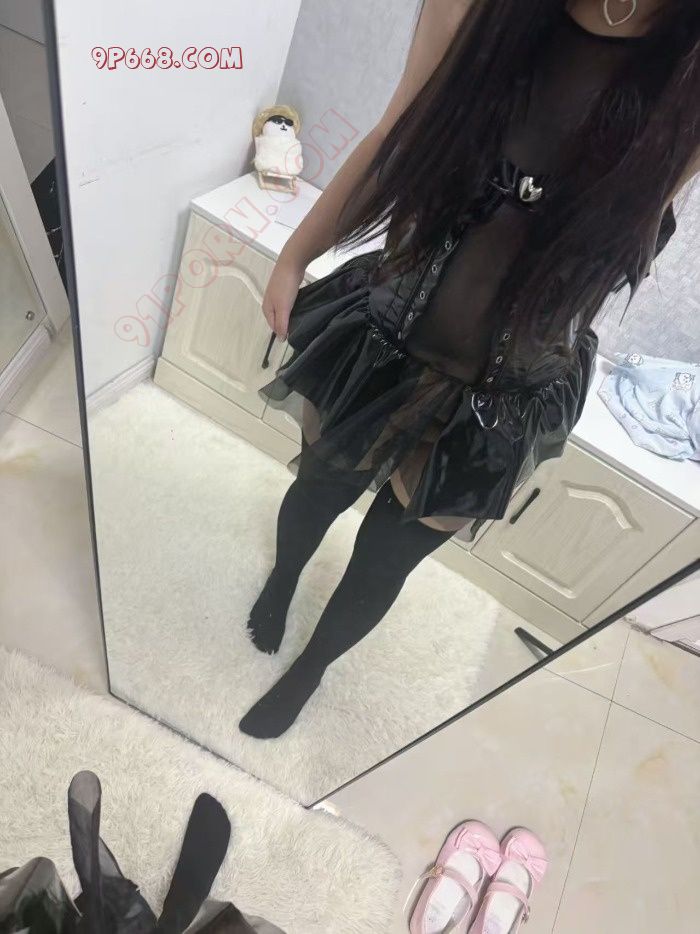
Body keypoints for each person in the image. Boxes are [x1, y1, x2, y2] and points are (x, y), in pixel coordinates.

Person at [238, 0, 700, 738]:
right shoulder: (474, 6)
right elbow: (393, 136)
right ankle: (283, 577)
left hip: (504, 396)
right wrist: (296, 256)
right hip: (383, 339)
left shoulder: (688, 76)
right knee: (315, 494)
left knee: (385, 562)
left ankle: (311, 669)